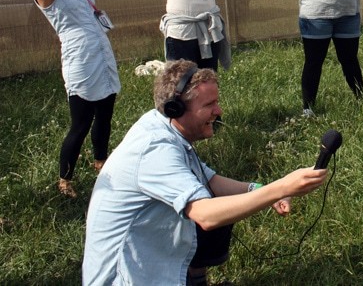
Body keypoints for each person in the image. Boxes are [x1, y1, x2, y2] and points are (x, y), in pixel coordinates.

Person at [82, 59, 328, 285]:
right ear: (175, 108)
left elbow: (211, 182)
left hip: (148, 267)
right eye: (209, 104)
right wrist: (282, 187)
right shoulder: (155, 150)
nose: (219, 111)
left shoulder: (162, 125)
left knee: (213, 196)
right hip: (123, 279)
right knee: (215, 210)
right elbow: (206, 216)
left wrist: (263, 190)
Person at [6, 0, 120, 199]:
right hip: (79, 59)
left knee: (105, 114)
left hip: (101, 53)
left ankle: (101, 161)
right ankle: (65, 179)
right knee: (81, 123)